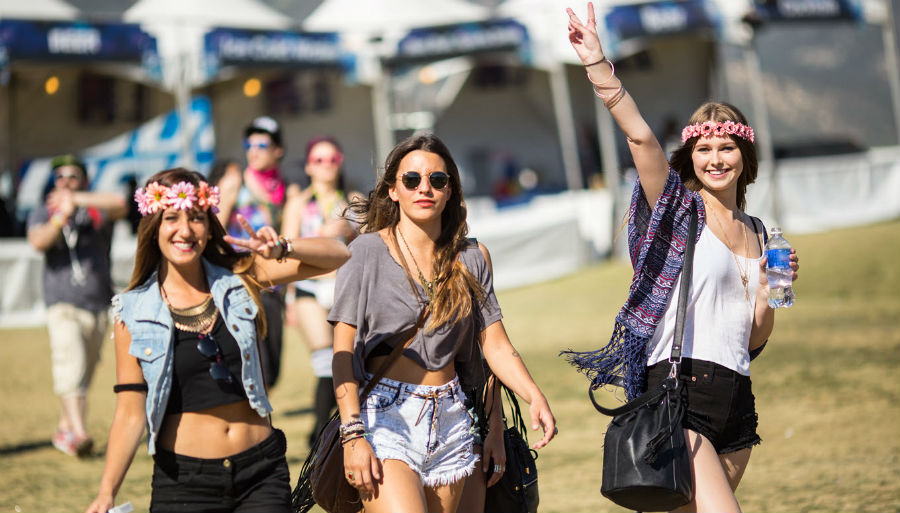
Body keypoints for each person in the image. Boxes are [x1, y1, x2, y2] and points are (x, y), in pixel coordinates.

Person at [561, 5, 800, 513]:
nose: (715, 158)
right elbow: (640, 137)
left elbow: (754, 338)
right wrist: (597, 62)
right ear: (690, 158)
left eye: (727, 147)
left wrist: (769, 291)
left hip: (736, 401)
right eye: (704, 148)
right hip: (678, 392)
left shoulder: (765, 233)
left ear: (745, 157)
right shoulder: (675, 211)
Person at [84, 168, 349, 513]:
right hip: (185, 482)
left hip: (262, 473)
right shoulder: (131, 312)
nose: (185, 230)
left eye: (196, 218)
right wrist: (107, 492)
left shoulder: (243, 275)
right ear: (153, 228)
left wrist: (281, 247)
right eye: (171, 218)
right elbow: (130, 414)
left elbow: (340, 253)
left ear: (209, 226)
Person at [328, 134, 556, 513]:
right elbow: (341, 352)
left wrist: (534, 396)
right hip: (386, 415)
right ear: (393, 190)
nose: (425, 188)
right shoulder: (365, 252)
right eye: (412, 180)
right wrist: (353, 435)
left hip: (453, 418)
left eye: (437, 180)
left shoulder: (471, 257)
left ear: (450, 191)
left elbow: (494, 347)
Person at [27, 154, 127, 457]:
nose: (66, 182)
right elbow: (37, 242)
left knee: (83, 370)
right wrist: (60, 216)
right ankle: (80, 434)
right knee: (69, 364)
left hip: (97, 303)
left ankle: (64, 429)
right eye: (60, 178)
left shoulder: (96, 210)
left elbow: (121, 203)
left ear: (84, 181)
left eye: (73, 177)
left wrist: (78, 201)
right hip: (62, 303)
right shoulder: (42, 212)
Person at [281, 136, 359, 444]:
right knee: (326, 360)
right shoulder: (300, 202)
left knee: (347, 358)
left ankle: (334, 430)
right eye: (318, 160)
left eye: (331, 159)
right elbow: (285, 249)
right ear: (308, 166)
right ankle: (319, 433)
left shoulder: (351, 199)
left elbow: (371, 244)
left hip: (344, 288)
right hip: (309, 289)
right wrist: (319, 236)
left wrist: (350, 229)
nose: (326, 166)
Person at [215, 117, 289, 387]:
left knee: (273, 366)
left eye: (262, 144)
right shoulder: (235, 183)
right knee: (257, 365)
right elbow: (216, 229)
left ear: (278, 150)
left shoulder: (286, 188)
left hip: (274, 284)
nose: (253, 150)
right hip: (242, 281)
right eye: (249, 144)